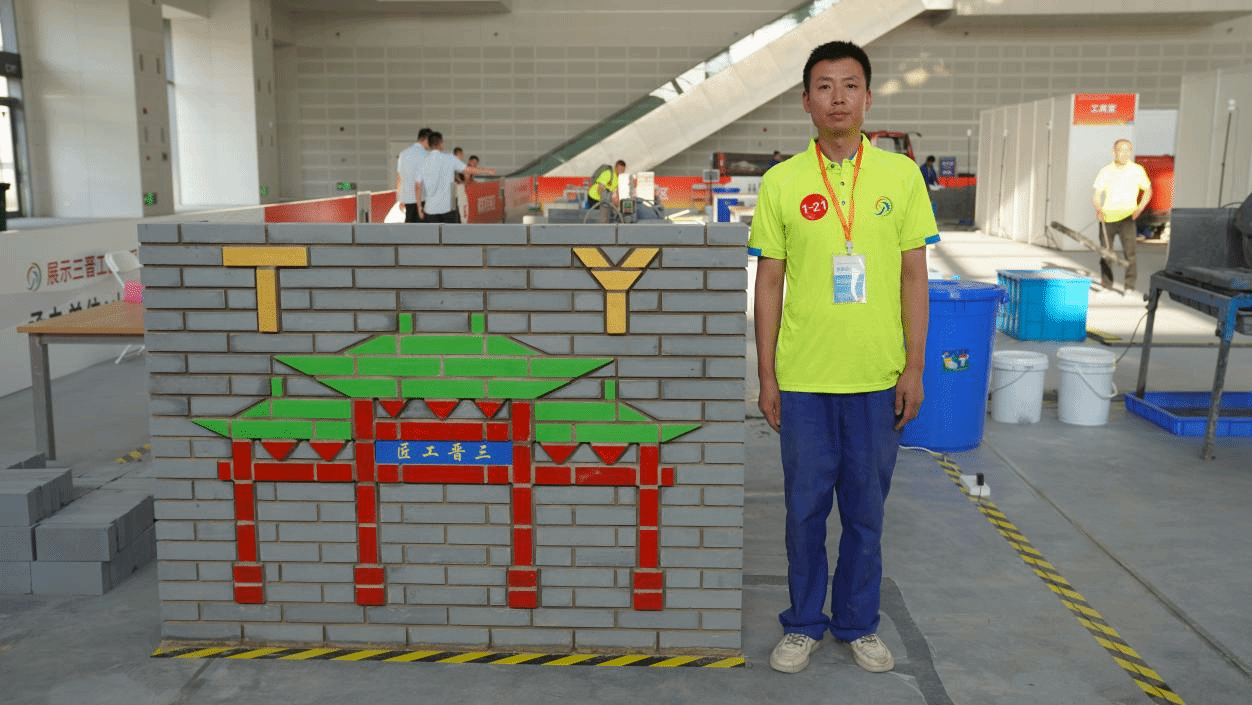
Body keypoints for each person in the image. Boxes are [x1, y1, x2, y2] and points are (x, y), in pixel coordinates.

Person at [748, 40, 938, 676]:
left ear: (868, 98)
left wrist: (913, 368)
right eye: (824, 86)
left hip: (877, 379)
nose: (837, 98)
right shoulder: (781, 183)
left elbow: (915, 276)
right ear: (806, 101)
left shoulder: (901, 177)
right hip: (804, 379)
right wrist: (768, 375)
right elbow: (768, 283)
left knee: (865, 514)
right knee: (803, 512)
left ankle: (857, 622)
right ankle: (803, 622)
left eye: (849, 85)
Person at [1092, 139, 1151, 293]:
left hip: (1127, 219)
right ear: (1114, 152)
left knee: (1130, 254)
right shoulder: (1105, 171)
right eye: (1120, 150)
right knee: (1106, 254)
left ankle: (1129, 286)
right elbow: (1097, 194)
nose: (1124, 153)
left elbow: (1148, 190)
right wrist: (1098, 209)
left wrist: (1140, 208)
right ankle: (1106, 285)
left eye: (1127, 150)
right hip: (1107, 219)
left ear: (1130, 152)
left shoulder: (1137, 170)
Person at [417, 132, 496, 223]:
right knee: (450, 232)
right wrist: (487, 170)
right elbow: (467, 169)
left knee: (433, 232)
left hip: (430, 209)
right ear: (441, 143)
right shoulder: (449, 159)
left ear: (429, 144)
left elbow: (417, 186)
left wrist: (419, 207)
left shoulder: (422, 162)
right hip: (448, 208)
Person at [396, 128, 432, 223]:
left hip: (407, 201)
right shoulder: (426, 155)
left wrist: (400, 199)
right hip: (422, 200)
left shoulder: (403, 154)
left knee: (409, 229)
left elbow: (399, 178)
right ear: (426, 139)